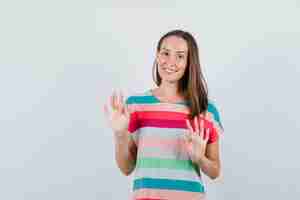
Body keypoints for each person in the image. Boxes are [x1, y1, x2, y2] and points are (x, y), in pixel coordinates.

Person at [104, 30, 224, 200]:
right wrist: (120, 134)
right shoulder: (136, 105)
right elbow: (126, 168)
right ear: (157, 55)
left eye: (180, 56)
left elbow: (215, 171)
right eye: (165, 53)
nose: (170, 62)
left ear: (190, 62)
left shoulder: (206, 110)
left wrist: (199, 158)